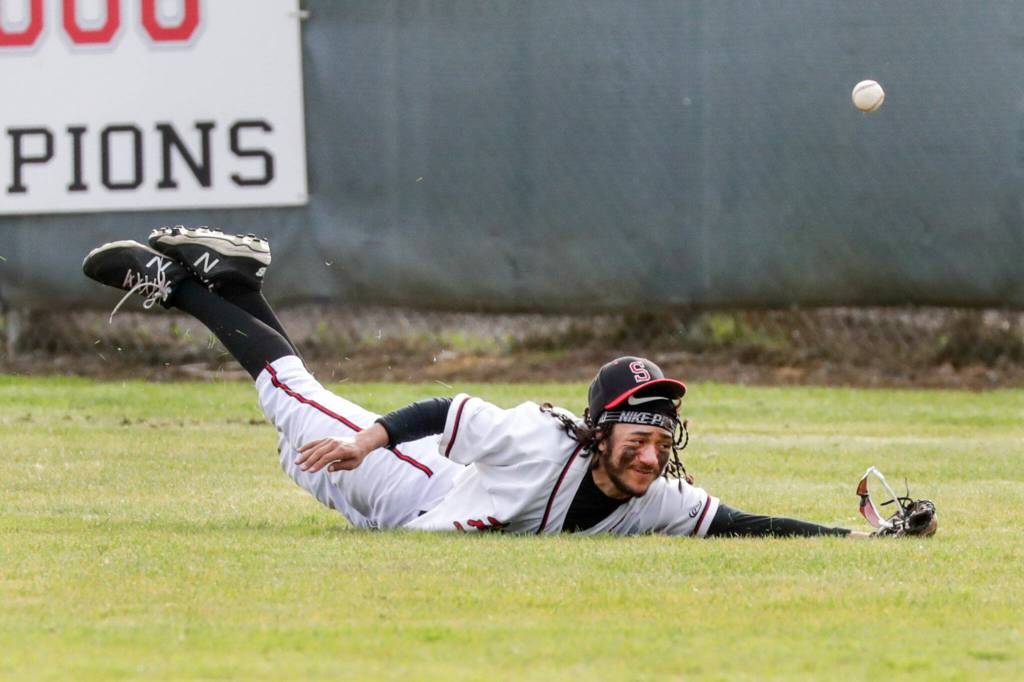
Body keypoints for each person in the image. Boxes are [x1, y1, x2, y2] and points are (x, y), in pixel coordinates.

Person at [82, 227, 931, 538]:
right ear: (600, 430)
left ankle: (237, 283)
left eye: (661, 435)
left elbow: (744, 525)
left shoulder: (654, 500)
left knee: (295, 394)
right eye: (638, 431)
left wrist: (855, 539)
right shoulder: (539, 438)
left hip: (414, 508)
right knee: (294, 404)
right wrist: (370, 439)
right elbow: (444, 408)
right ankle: (186, 288)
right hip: (406, 477)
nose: (652, 449)